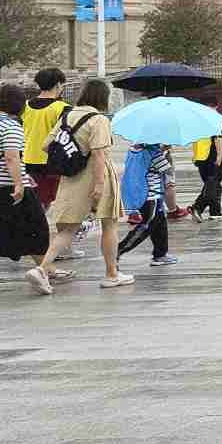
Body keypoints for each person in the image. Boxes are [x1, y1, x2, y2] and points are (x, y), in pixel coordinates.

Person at [37, 78, 127, 292]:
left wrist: (74, 155)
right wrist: (98, 185)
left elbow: (46, 145)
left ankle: (41, 269)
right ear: (103, 98)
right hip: (98, 177)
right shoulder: (99, 120)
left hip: (71, 178)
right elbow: (98, 155)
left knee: (67, 229)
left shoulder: (67, 115)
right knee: (109, 224)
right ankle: (112, 274)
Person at [0, 84, 51, 283]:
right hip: (9, 189)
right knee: (38, 228)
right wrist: (19, 184)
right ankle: (43, 271)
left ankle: (46, 269)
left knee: (3, 229)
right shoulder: (11, 126)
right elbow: (11, 157)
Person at [116, 141, 179, 267]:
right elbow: (168, 171)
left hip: (145, 195)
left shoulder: (134, 149)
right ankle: (118, 250)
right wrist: (165, 152)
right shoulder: (153, 152)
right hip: (151, 196)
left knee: (160, 223)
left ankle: (160, 254)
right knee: (147, 225)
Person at [21, 68, 67, 209]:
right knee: (45, 202)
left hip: (26, 159)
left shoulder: (25, 106)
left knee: (30, 201)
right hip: (50, 162)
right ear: (58, 84)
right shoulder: (63, 108)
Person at [190, 123, 222, 221]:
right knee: (213, 184)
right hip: (212, 157)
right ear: (217, 106)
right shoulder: (216, 120)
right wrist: (219, 156)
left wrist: (195, 156)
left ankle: (215, 212)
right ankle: (197, 207)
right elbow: (218, 138)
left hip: (200, 158)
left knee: (213, 184)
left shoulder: (195, 122)